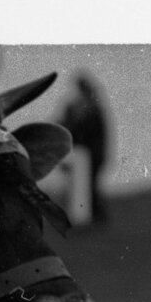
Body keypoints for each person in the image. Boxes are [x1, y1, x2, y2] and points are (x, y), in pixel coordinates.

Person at [58, 72, 111, 226]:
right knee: (88, 187)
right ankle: (92, 216)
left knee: (88, 187)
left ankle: (92, 217)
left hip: (89, 155)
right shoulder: (91, 107)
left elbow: (77, 129)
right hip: (89, 154)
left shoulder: (88, 108)